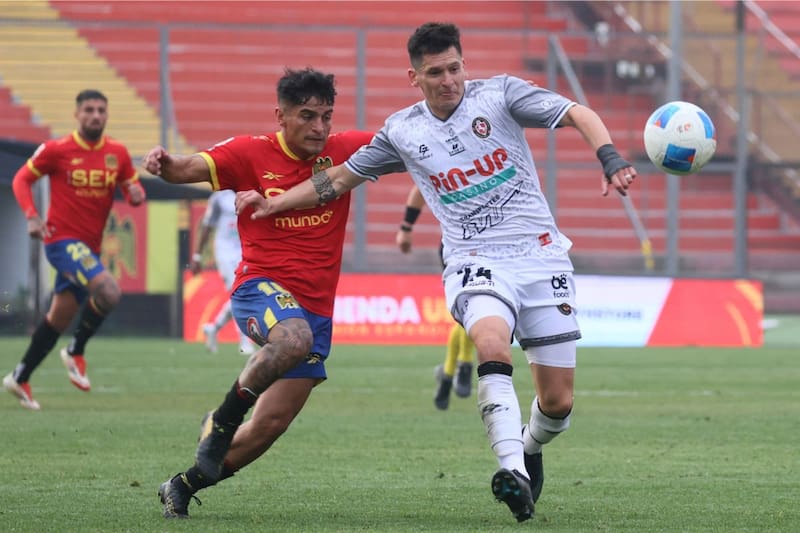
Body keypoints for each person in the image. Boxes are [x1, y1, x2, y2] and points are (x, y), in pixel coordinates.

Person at [235, 22, 637, 523]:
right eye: (435, 73)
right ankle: (511, 471)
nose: (449, 80)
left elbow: (579, 112)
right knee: (490, 343)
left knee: (557, 403)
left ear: (463, 64)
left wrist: (610, 158)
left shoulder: (501, 95)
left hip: (541, 256)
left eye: (454, 68)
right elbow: (335, 180)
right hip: (474, 260)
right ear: (414, 77)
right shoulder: (403, 130)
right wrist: (275, 204)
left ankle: (530, 448)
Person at [142, 67, 373, 519]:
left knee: (269, 425)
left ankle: (182, 485)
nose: (319, 128)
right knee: (292, 340)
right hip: (260, 287)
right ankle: (223, 418)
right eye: (307, 116)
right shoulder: (249, 152)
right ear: (280, 116)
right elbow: (187, 168)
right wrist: (165, 165)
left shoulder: (347, 150)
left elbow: (410, 144)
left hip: (315, 310)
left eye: (326, 116)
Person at [3, 89, 145, 410]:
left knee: (57, 318)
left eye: (101, 111)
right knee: (109, 292)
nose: (96, 116)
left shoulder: (118, 153)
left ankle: (20, 376)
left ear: (107, 115)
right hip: (61, 242)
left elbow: (131, 189)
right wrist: (31, 217)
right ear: (77, 114)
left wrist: (135, 194)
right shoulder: (58, 150)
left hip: (89, 250)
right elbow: (21, 179)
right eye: (89, 110)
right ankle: (75, 350)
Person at [396, 185, 474, 410]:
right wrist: (406, 227)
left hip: (493, 246)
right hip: (456, 245)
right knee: (470, 305)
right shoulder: (450, 158)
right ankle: (465, 363)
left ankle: (448, 374)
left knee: (472, 309)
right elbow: (420, 188)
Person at [191, 189, 255, 355]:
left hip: (245, 249)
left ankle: (213, 328)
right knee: (239, 292)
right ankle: (244, 342)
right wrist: (197, 256)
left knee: (244, 292)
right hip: (225, 251)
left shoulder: (252, 192)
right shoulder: (220, 197)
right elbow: (207, 226)